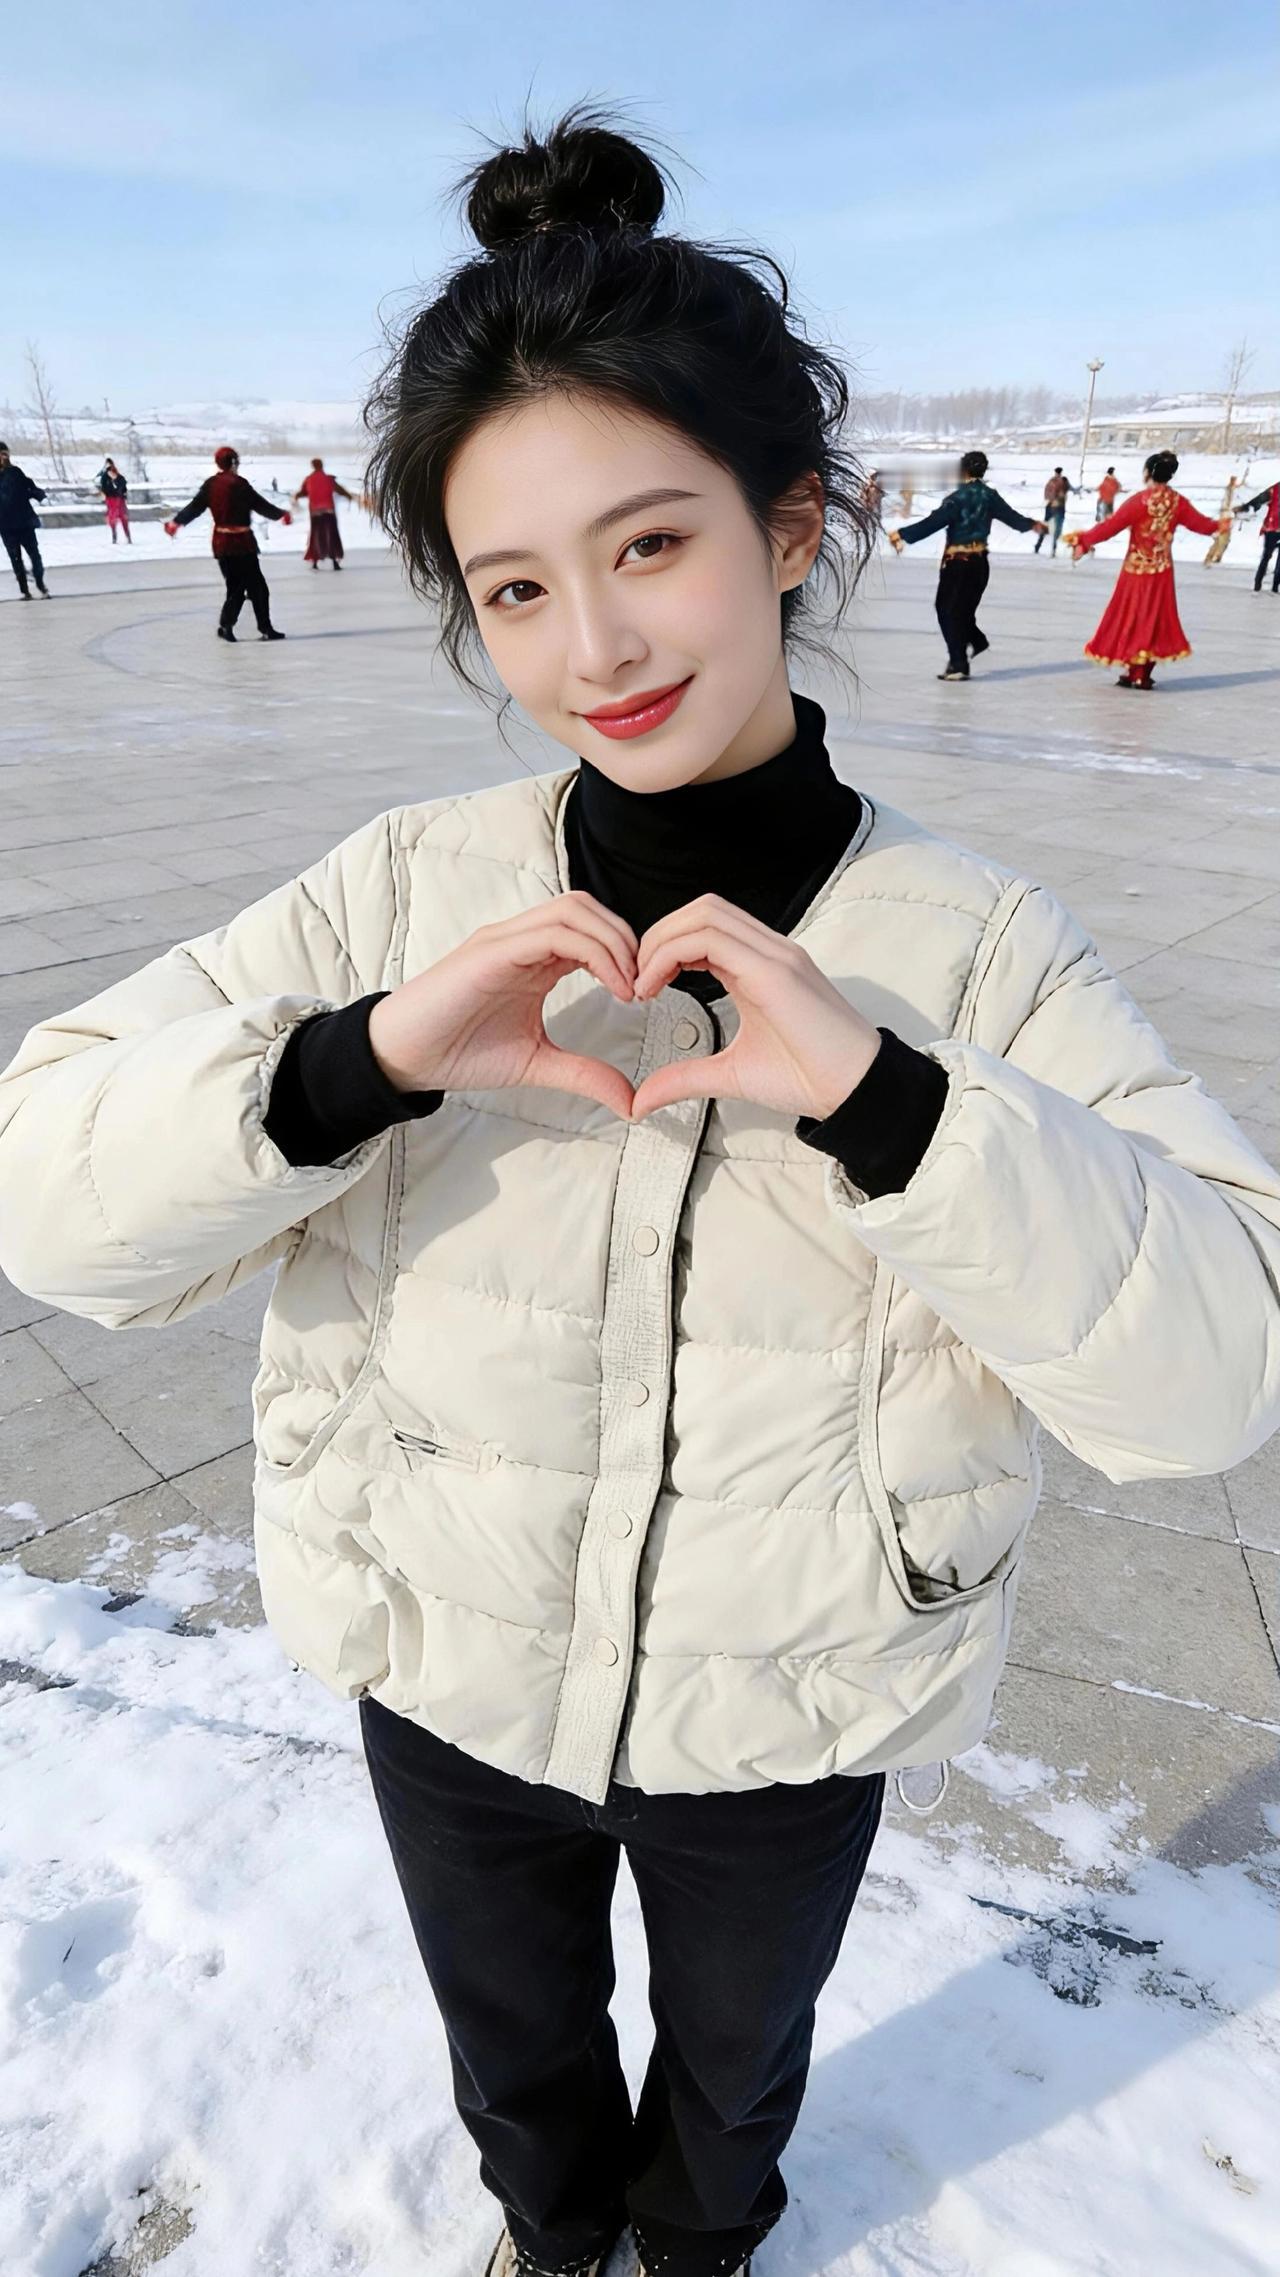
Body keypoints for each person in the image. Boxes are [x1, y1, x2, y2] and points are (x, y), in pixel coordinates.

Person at [4, 104, 1280, 2277]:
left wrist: (891, 1103)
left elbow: (1211, 1377)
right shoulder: (400, 892)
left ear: (789, 527)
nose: (590, 643)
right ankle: (546, 2228)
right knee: (514, 2051)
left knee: (735, 2059)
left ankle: (698, 2245)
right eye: (514, 586)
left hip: (788, 1706)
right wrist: (357, 1058)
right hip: (443, 1664)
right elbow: (49, 1201)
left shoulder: (975, 949)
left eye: (650, 542)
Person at [1064, 448, 1229, 687]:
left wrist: (1083, 541)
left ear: (1147, 473)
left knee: (1132, 617)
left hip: (1136, 571)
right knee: (1154, 619)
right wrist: (1220, 525)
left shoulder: (1140, 501)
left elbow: (1111, 526)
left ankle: (1136, 670)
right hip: (1161, 572)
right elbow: (1201, 525)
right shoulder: (1177, 502)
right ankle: (1139, 672)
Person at [887, 449, 1046, 678]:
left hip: (957, 565)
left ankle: (959, 663)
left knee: (947, 611)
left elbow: (933, 522)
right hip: (980, 564)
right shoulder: (990, 497)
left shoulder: (957, 499)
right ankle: (975, 643)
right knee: (963, 612)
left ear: (963, 470)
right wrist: (1033, 524)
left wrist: (902, 534)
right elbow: (1013, 519)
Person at [164, 445, 291, 641]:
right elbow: (260, 504)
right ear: (232, 463)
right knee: (257, 587)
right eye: (236, 462)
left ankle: (228, 627)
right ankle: (261, 628)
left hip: (222, 544)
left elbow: (195, 507)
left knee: (236, 587)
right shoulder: (240, 484)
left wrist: (176, 522)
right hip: (243, 544)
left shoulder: (211, 485)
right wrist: (281, 515)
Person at [0, 441, 50, 599]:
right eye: (1, 454)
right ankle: (25, 590)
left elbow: (29, 488)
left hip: (24, 523)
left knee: (34, 555)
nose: (4, 457)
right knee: (16, 559)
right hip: (6, 526)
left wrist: (40, 496)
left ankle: (40, 584)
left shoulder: (15, 472)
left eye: (5, 454)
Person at [293, 455, 356, 569]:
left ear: (313, 466)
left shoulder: (308, 479)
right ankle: (334, 562)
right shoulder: (329, 479)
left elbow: (303, 492)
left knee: (316, 536)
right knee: (331, 535)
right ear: (322, 466)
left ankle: (315, 562)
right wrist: (349, 496)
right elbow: (340, 490)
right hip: (329, 512)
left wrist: (296, 496)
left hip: (315, 513)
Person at [1234, 475, 1280, 591]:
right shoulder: (1276, 489)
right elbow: (1260, 499)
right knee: (1266, 556)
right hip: (1272, 529)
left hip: (1272, 527)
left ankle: (1275, 586)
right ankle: (1258, 583)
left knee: (1270, 558)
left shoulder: (1275, 488)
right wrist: (1245, 508)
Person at [1034, 467, 1079, 555]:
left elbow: (1046, 494)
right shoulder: (1064, 481)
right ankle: (1053, 548)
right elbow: (1073, 490)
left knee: (1046, 526)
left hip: (1050, 507)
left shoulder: (1051, 481)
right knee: (1057, 528)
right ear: (1061, 472)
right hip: (1059, 508)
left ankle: (1038, 545)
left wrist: (1051, 500)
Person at [97, 458, 132, 545]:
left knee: (123, 519)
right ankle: (114, 537)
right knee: (113, 519)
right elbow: (103, 489)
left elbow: (123, 487)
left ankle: (128, 537)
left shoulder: (119, 477)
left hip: (119, 500)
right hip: (111, 500)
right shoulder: (104, 477)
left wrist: (116, 481)